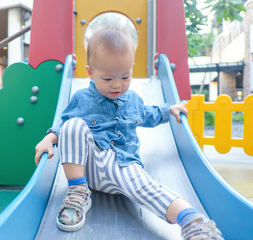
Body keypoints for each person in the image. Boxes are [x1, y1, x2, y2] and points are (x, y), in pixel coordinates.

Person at [34, 27, 223, 239]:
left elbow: (146, 114)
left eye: (125, 77)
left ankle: (191, 221)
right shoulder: (82, 98)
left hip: (123, 166)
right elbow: (64, 125)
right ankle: (78, 193)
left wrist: (168, 110)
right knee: (72, 125)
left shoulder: (132, 99)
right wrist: (50, 137)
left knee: (148, 187)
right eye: (107, 79)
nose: (117, 85)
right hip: (88, 168)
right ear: (90, 72)